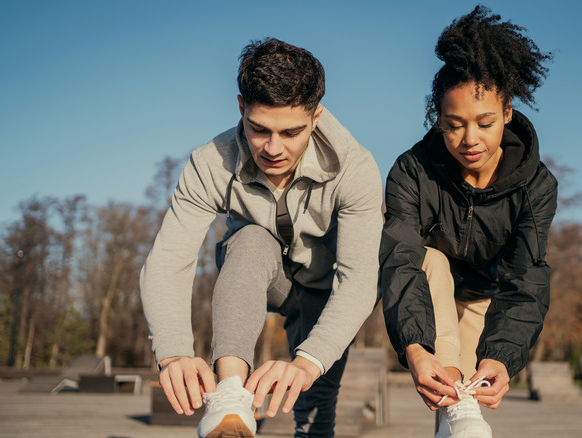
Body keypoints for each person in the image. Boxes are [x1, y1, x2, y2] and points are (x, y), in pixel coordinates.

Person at [140, 38, 383, 438]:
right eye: (258, 130)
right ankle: (232, 393)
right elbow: (169, 262)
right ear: (241, 108)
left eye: (290, 132)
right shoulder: (209, 163)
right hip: (260, 277)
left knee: (315, 416)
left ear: (316, 116)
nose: (273, 148)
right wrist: (173, 351)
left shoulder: (354, 167)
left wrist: (308, 361)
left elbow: (358, 279)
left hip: (326, 290)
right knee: (251, 240)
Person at [380, 6, 557, 438]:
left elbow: (526, 277)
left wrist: (503, 357)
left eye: (485, 122)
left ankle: (456, 414)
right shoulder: (412, 172)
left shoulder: (536, 186)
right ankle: (456, 410)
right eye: (453, 125)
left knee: (462, 400)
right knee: (431, 260)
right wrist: (416, 350)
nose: (469, 139)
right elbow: (401, 260)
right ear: (437, 118)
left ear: (509, 111)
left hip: (486, 297)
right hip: (428, 286)